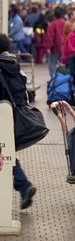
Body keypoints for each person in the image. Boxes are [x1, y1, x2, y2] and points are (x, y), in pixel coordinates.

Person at [0, 33, 37, 209]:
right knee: (7, 153)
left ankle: (23, 185)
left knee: (5, 154)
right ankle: (23, 186)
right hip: (16, 116)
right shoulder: (14, 65)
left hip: (3, 116)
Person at [45, 7, 66, 78]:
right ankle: (62, 79)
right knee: (63, 64)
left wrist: (48, 47)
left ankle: (54, 78)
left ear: (54, 15)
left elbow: (50, 37)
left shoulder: (53, 24)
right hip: (64, 47)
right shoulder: (66, 23)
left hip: (55, 48)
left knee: (52, 64)